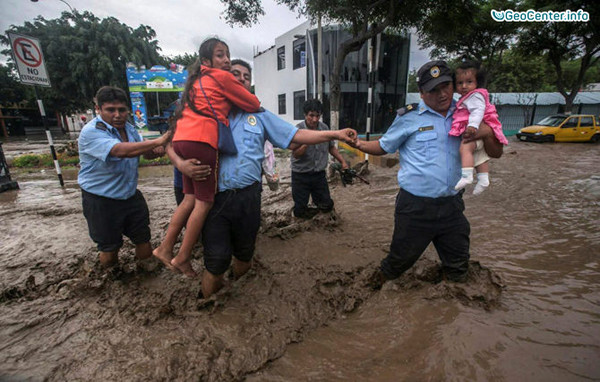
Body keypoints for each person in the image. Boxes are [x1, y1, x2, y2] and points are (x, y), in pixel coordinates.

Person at [168, 59, 357, 298]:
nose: (240, 79)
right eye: (234, 74)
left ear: (250, 84)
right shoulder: (203, 109)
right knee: (215, 262)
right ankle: (208, 306)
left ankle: (241, 300)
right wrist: (181, 164)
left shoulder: (259, 115)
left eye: (246, 76)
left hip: (249, 197)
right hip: (213, 199)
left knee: (245, 255)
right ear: (223, 79)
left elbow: (295, 135)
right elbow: (172, 141)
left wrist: (335, 133)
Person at [349, 60, 504, 286]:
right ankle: (369, 287)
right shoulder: (408, 117)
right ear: (421, 94)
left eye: (446, 87)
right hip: (415, 208)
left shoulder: (468, 113)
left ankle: (450, 312)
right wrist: (359, 145)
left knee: (459, 265)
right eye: (433, 90)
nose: (442, 94)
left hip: (452, 206)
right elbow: (384, 146)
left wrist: (488, 132)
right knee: (398, 263)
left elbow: (496, 152)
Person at [153, 38, 260, 277]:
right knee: (205, 202)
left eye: (227, 55)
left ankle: (165, 247)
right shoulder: (222, 77)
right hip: (202, 141)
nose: (226, 60)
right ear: (206, 61)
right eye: (220, 55)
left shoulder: (195, 83)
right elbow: (252, 102)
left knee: (189, 198)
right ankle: (181, 257)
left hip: (182, 141)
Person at [78, 86, 171, 268]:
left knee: (143, 239)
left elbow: (143, 152)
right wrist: (159, 140)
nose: (117, 115)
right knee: (109, 248)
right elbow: (119, 151)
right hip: (101, 200)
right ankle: (110, 281)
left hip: (129, 195)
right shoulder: (91, 132)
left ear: (127, 110)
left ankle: (147, 274)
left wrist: (158, 150)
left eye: (121, 110)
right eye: (110, 110)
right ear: (98, 109)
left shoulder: (129, 129)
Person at [450, 60, 508, 195]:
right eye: (459, 83)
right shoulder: (466, 98)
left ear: (477, 82)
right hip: (477, 132)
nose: (464, 86)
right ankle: (483, 179)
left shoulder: (474, 96)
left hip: (473, 130)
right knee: (480, 156)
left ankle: (467, 176)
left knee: (465, 148)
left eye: (469, 82)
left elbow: (477, 111)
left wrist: (474, 126)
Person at [290, 99, 349, 219]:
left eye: (318, 116)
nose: (315, 119)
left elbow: (331, 147)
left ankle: (319, 223)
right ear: (305, 115)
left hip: (319, 175)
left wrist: (343, 162)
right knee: (300, 211)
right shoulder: (297, 130)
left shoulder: (324, 128)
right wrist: (307, 141)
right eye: (311, 115)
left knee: (327, 205)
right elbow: (295, 155)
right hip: (300, 175)